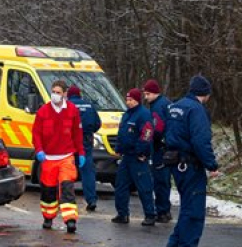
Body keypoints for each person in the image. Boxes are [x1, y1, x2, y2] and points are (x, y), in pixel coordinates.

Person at [163, 75, 219, 247]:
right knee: (194, 210)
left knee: (187, 206)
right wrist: (211, 165)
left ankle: (175, 244)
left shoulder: (175, 106)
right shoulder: (197, 110)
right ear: (206, 94)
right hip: (190, 164)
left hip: (175, 162)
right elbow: (200, 141)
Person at [32, 80, 85, 233]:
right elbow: (36, 134)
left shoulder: (72, 110)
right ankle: (48, 217)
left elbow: (77, 133)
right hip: (48, 158)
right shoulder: (43, 111)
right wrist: (39, 150)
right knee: (48, 191)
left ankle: (70, 220)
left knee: (67, 188)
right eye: (53, 92)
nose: (55, 95)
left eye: (58, 92)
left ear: (65, 94)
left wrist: (80, 153)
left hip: (66, 156)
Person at [112, 88, 157, 226]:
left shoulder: (143, 114)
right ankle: (122, 214)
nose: (128, 102)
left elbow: (147, 134)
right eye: (127, 99)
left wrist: (141, 152)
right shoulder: (126, 115)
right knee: (120, 185)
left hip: (138, 157)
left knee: (144, 187)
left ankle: (150, 215)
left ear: (137, 100)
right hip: (126, 157)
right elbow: (122, 133)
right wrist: (118, 148)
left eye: (131, 100)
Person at [66, 85, 102, 212]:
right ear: (79, 94)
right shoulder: (89, 105)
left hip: (69, 142)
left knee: (67, 172)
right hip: (86, 141)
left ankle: (66, 200)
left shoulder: (67, 105)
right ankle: (91, 200)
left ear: (68, 95)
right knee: (88, 172)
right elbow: (98, 123)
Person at [143, 79, 173, 223]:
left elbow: (157, 128)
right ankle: (165, 210)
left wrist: (149, 140)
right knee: (165, 180)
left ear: (155, 93)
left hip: (160, 148)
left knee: (160, 180)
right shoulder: (167, 103)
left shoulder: (157, 107)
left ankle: (162, 211)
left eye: (148, 94)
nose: (146, 97)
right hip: (168, 147)